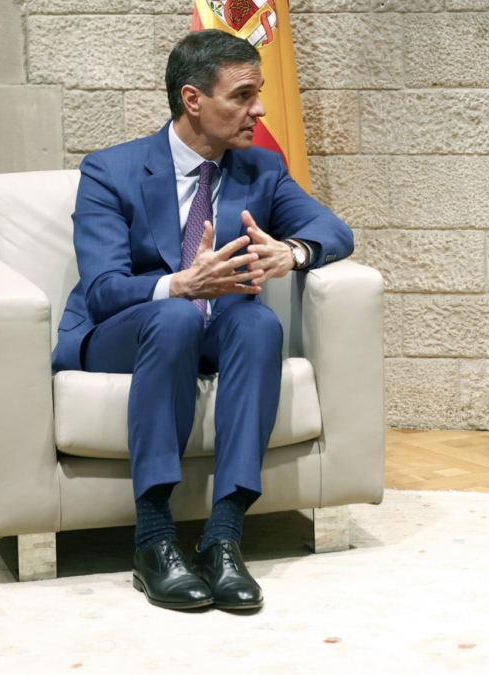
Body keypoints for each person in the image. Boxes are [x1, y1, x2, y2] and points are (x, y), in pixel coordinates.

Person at [52, 29, 354, 611]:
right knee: (173, 320)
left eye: (260, 93)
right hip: (123, 332)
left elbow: (334, 231)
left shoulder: (262, 168)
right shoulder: (111, 171)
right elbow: (104, 289)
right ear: (193, 100)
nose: (259, 109)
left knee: (259, 324)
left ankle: (224, 537)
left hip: (215, 329)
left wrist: (290, 253)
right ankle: (155, 539)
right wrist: (179, 285)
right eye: (242, 95)